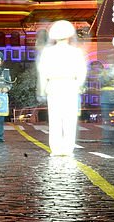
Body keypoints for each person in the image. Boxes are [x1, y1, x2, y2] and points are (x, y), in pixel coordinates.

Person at [37, 20, 88, 157]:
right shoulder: (76, 52)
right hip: (70, 85)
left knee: (55, 120)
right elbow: (82, 72)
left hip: (53, 86)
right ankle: (67, 149)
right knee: (69, 120)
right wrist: (78, 86)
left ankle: (56, 149)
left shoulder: (47, 52)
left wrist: (42, 90)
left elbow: (43, 73)